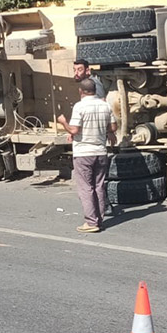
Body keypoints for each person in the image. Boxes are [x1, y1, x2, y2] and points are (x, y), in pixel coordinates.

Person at [57, 78, 116, 233]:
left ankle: (90, 222)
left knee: (86, 188)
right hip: (101, 152)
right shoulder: (105, 105)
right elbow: (113, 126)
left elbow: (75, 130)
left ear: (80, 91)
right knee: (99, 187)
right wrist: (108, 133)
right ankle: (99, 220)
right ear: (95, 90)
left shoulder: (79, 106)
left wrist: (63, 122)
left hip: (83, 153)